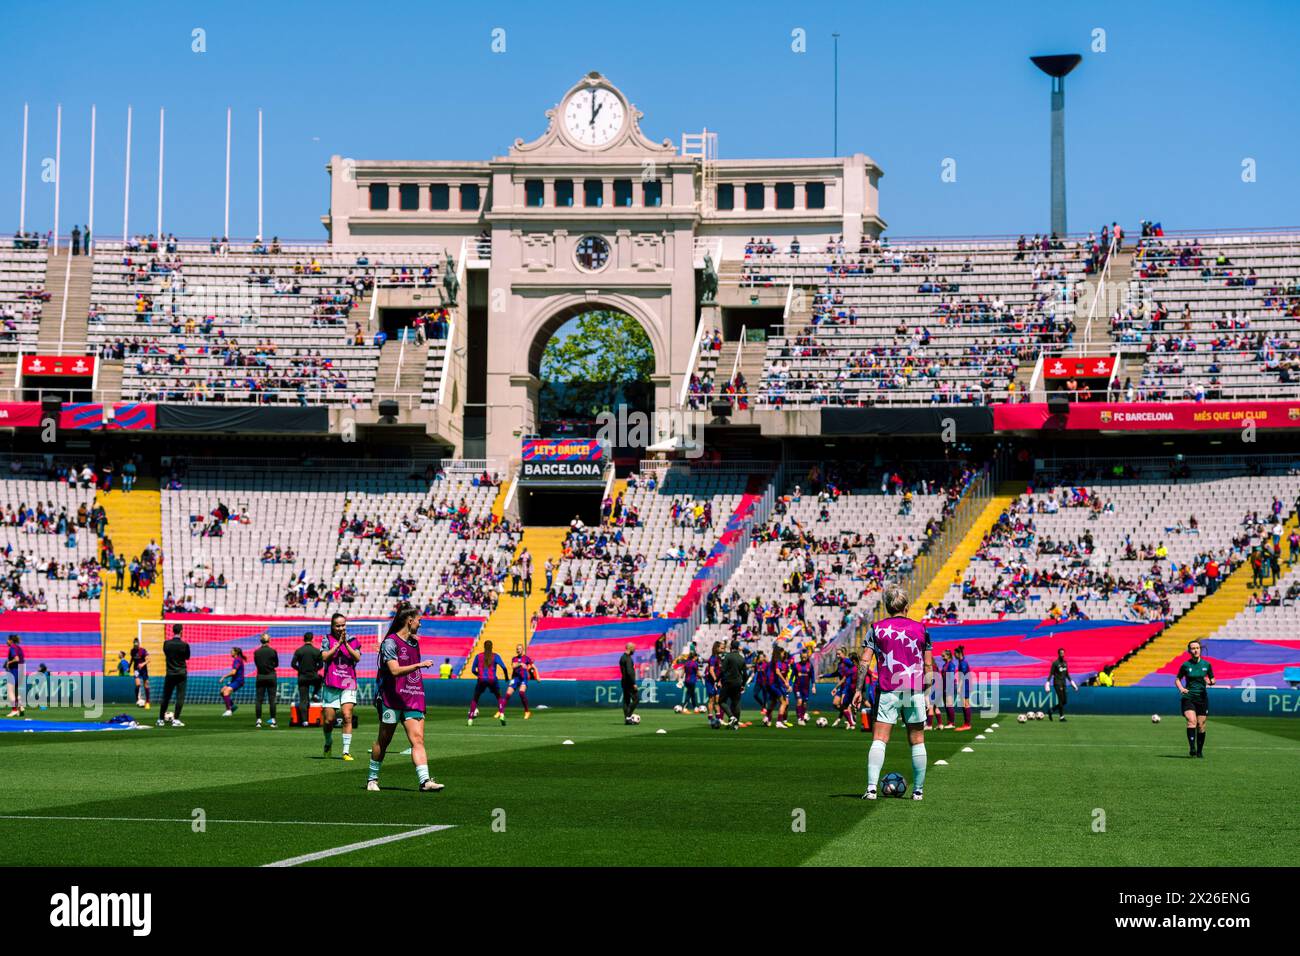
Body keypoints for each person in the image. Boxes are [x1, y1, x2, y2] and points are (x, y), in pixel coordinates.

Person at [857, 587, 933, 801]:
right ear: (906, 607)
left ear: (888, 607)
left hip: (888, 689)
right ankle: (918, 791)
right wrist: (927, 695)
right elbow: (928, 666)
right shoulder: (921, 629)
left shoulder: (876, 628)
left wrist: (858, 688)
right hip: (914, 689)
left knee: (880, 738)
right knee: (917, 740)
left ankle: (871, 789)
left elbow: (864, 660)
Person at [368, 604, 443, 792]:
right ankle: (372, 779)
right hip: (391, 698)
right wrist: (420, 665)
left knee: (418, 739)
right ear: (410, 621)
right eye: (419, 620)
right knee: (384, 741)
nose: (420, 624)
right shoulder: (390, 643)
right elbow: (394, 670)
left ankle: (425, 781)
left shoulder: (414, 642)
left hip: (413, 696)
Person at [321, 614, 361, 759]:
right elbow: (324, 657)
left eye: (343, 625)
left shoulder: (353, 640)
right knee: (329, 720)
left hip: (348, 683)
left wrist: (345, 644)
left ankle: (345, 751)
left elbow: (357, 657)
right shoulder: (327, 639)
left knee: (347, 715)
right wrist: (337, 645)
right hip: (331, 682)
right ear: (332, 626)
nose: (341, 628)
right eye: (338, 625)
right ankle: (328, 740)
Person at [1175, 640, 1215, 758]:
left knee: (1201, 725)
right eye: (1193, 648)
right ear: (1189, 651)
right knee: (1191, 721)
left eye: (1197, 648)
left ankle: (1199, 751)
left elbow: (1213, 679)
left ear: (1200, 650)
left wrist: (1211, 682)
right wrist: (1181, 688)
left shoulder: (1206, 665)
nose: (1195, 650)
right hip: (1189, 697)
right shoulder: (1186, 665)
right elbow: (1177, 679)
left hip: (1202, 698)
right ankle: (1192, 748)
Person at [467, 640, 508, 726]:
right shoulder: (495, 656)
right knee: (499, 697)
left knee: (475, 698)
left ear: (484, 647)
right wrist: (506, 677)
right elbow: (504, 667)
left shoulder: (478, 656)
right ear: (492, 647)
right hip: (492, 679)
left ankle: (470, 719)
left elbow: (473, 670)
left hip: (481, 679)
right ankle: (502, 714)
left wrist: (479, 675)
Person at [157, 624, 190, 727]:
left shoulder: (166, 644)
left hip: (170, 673)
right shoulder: (185, 645)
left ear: (173, 631)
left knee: (166, 697)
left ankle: (160, 720)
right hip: (181, 673)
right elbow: (187, 657)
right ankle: (176, 720)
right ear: (181, 631)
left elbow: (166, 654)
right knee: (180, 697)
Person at [291, 630, 324, 728]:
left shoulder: (299, 650)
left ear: (304, 639)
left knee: (303, 700)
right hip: (313, 676)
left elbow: (293, 664)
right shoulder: (316, 651)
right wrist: (314, 670)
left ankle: (305, 721)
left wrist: (300, 670)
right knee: (321, 680)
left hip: (302, 677)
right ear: (312, 639)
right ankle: (314, 694)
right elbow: (321, 665)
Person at [505, 643, 538, 719]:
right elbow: (513, 666)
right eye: (517, 649)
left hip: (523, 678)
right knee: (507, 694)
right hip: (515, 678)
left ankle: (527, 711)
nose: (518, 650)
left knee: (521, 693)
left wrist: (537, 676)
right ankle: (500, 711)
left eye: (519, 648)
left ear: (522, 650)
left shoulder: (526, 658)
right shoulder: (514, 658)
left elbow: (532, 666)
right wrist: (520, 664)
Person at [253, 632, 279, 728]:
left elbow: (257, 664)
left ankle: (258, 720)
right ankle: (273, 720)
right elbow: (276, 664)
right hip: (271, 676)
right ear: (269, 640)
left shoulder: (256, 652)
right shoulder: (273, 651)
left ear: (261, 641)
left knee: (259, 700)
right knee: (272, 700)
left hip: (260, 676)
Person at [1045, 647, 1079, 722]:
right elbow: (1051, 673)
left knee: (1064, 701)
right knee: (1061, 700)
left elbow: (1067, 674)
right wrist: (1047, 683)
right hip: (1057, 683)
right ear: (1058, 654)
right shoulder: (1055, 663)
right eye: (1061, 653)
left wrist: (1072, 683)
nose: (1062, 654)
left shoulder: (1065, 663)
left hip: (1063, 683)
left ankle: (1051, 710)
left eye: (1063, 653)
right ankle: (1062, 717)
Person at [719, 640, 747, 729]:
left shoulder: (728, 656)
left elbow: (722, 670)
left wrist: (717, 680)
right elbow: (745, 674)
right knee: (736, 702)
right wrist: (743, 684)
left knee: (721, 701)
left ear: (731, 647)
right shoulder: (741, 658)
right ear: (738, 647)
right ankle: (736, 724)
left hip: (728, 682)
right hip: (738, 682)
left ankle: (731, 717)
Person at [791, 647, 815, 726]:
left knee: (804, 704)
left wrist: (813, 686)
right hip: (797, 687)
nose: (804, 658)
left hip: (806, 688)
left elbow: (812, 677)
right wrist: (789, 685)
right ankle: (799, 718)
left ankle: (802, 716)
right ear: (800, 657)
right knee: (799, 701)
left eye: (805, 657)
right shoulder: (796, 665)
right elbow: (792, 676)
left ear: (807, 657)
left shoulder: (810, 666)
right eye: (802, 657)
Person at [219, 647, 246, 716]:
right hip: (235, 680)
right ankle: (232, 706)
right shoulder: (237, 659)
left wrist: (224, 676)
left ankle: (228, 711)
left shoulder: (237, 660)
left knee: (226, 691)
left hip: (238, 681)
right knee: (222, 691)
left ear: (236, 652)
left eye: (232, 651)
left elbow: (233, 672)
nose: (230, 652)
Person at [619, 641, 640, 724]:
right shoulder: (628, 659)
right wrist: (633, 683)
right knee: (636, 699)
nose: (634, 651)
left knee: (626, 700)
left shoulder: (622, 657)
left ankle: (627, 719)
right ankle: (628, 716)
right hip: (629, 682)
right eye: (634, 649)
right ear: (630, 649)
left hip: (624, 681)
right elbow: (629, 672)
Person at [4, 634, 25, 717]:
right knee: (16, 691)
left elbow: (17, 658)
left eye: (7, 640)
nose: (6, 641)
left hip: (15, 670)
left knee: (10, 691)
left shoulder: (12, 647)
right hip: (21, 669)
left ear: (11, 641)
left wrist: (9, 662)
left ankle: (14, 710)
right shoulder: (19, 648)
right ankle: (20, 706)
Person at [130, 636, 151, 709]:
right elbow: (132, 659)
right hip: (136, 670)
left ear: (139, 644)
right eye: (135, 645)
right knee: (138, 684)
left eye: (137, 644)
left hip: (144, 670)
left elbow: (148, 660)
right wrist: (129, 667)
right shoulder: (132, 651)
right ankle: (137, 700)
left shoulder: (143, 650)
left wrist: (142, 664)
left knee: (146, 685)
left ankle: (147, 702)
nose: (136, 646)